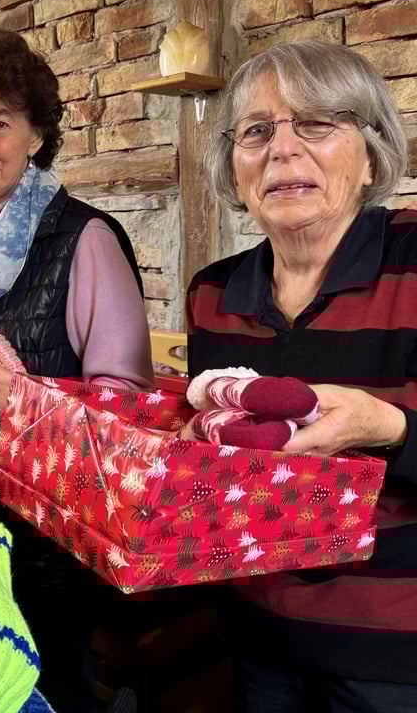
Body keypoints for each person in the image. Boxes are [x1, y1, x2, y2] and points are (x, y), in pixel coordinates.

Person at [0, 29, 154, 711]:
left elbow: (124, 403)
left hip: (43, 532)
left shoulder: (86, 238)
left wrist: (14, 411)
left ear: (37, 135)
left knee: (50, 691)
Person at [186, 40, 414, 712]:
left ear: (370, 155)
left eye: (316, 123)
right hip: (259, 635)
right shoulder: (214, 294)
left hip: (396, 654)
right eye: (256, 131)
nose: (281, 149)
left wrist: (388, 427)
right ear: (234, 167)